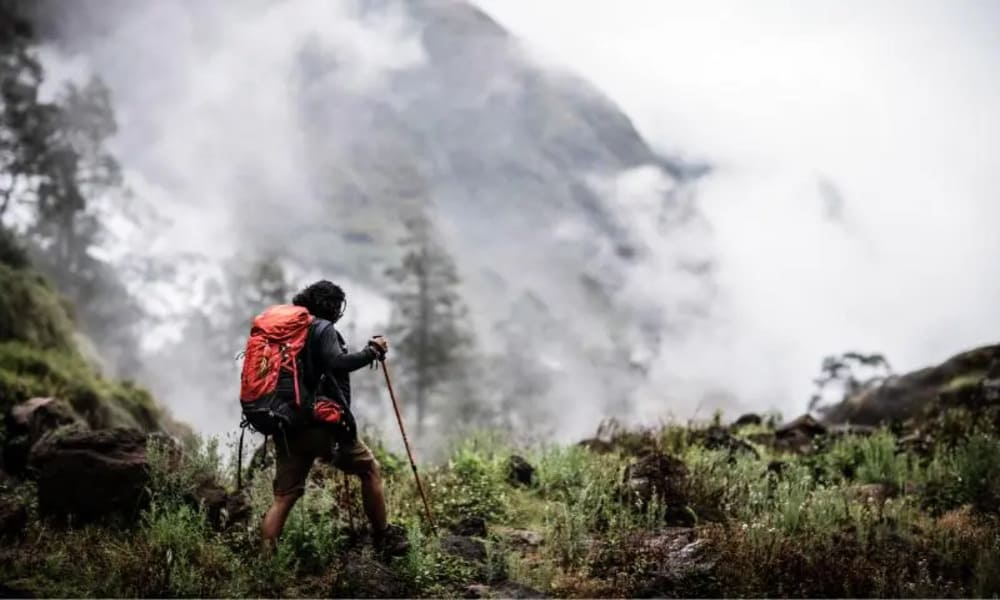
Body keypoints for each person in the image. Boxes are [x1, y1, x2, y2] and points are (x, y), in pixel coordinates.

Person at [260, 280, 407, 556]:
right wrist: (371, 352)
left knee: (283, 498)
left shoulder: (288, 332)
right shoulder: (322, 327)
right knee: (369, 470)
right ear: (332, 307)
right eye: (338, 307)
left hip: (286, 422)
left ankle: (265, 566)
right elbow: (336, 362)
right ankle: (382, 538)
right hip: (320, 426)